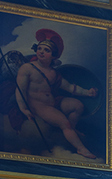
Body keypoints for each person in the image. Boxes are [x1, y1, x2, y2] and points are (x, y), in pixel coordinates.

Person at [14, 29, 99, 159]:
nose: (41, 52)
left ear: (53, 55)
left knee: (78, 106)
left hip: (53, 102)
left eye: (46, 50)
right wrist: (23, 109)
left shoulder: (53, 73)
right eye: (40, 48)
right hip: (39, 106)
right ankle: (81, 148)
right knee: (65, 123)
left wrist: (88, 93)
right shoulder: (28, 68)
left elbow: (70, 87)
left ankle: (71, 130)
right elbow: (20, 90)